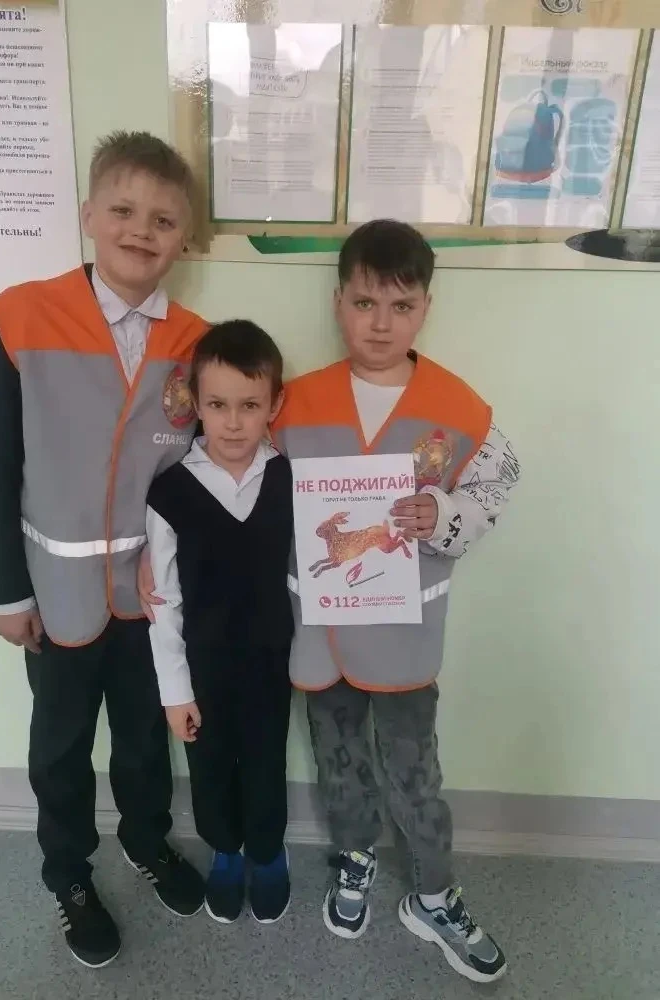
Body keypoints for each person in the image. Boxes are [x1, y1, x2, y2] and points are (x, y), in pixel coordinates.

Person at [0, 130, 208, 969]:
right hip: (55, 590)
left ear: (185, 239)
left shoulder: (197, 342)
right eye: (123, 210)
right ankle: (68, 874)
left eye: (164, 220)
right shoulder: (21, 318)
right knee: (62, 746)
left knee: (144, 738)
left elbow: (207, 469)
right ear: (88, 215)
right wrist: (7, 592)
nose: (142, 230)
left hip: (149, 596)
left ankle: (146, 841)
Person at [271, 220, 520, 984]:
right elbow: (247, 487)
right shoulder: (294, 403)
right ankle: (354, 858)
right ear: (338, 302)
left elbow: (498, 484)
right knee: (339, 758)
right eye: (364, 303)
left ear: (425, 309)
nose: (381, 323)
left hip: (406, 635)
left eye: (401, 306)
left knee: (414, 768)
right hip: (322, 634)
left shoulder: (457, 405)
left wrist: (440, 514)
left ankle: (434, 893)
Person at [146, 320, 294, 926]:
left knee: (265, 762)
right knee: (209, 768)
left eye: (250, 405)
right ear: (195, 403)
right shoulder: (170, 493)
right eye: (217, 405)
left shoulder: (289, 478)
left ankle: (267, 852)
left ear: (274, 405)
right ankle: (226, 852)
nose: (233, 422)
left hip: (271, 662)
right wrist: (174, 691)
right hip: (202, 666)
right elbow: (163, 599)